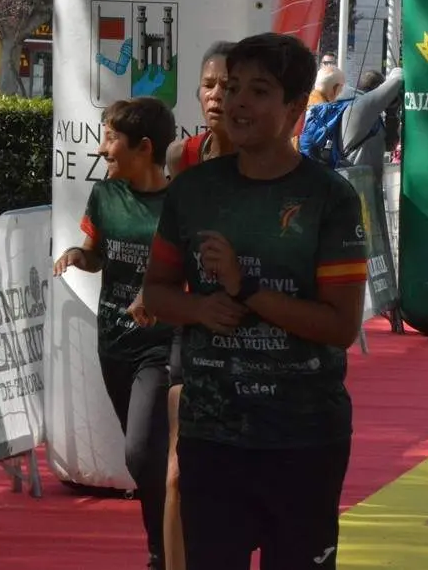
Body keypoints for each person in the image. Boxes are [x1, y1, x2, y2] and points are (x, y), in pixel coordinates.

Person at [142, 33, 368, 570]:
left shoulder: (330, 198)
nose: (237, 102)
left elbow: (340, 325)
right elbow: (155, 292)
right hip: (212, 436)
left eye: (258, 91)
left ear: (295, 108)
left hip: (304, 438)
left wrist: (246, 290)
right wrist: (198, 309)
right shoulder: (192, 191)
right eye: (233, 86)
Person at [53, 97, 177, 570]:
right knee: (145, 464)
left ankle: (163, 555)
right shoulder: (105, 195)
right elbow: (97, 253)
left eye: (110, 139)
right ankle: (163, 549)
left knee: (143, 451)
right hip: (113, 345)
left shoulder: (178, 204)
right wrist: (77, 256)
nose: (103, 150)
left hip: (161, 347)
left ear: (144, 148)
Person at [158, 40, 237, 570]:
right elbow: (166, 238)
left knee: (239, 478)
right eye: (209, 86)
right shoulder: (180, 156)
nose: (217, 97)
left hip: (256, 330)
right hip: (192, 326)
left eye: (230, 88)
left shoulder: (277, 166)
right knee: (178, 472)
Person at [166, 42, 238, 178]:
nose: (215, 95)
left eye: (227, 86)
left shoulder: (264, 161)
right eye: (208, 85)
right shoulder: (180, 155)